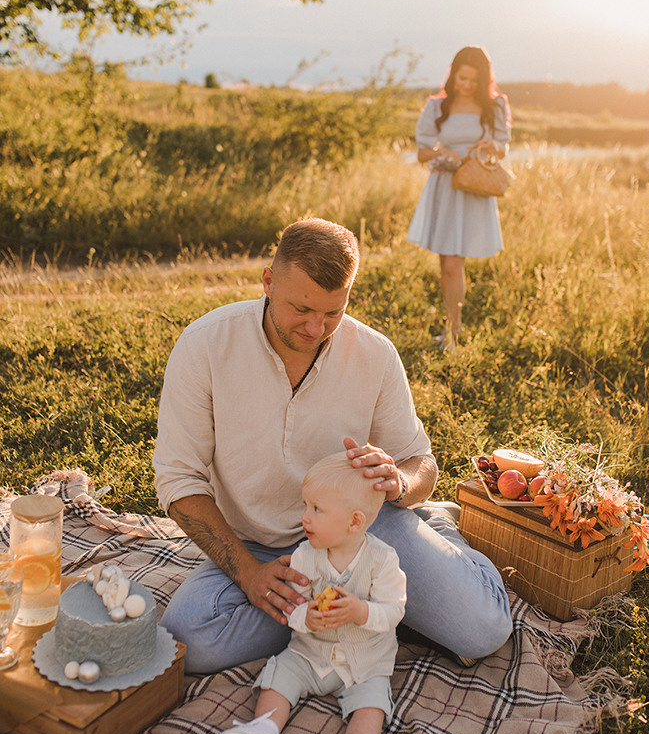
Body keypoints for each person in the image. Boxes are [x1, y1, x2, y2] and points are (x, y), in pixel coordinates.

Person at [153, 217, 511, 674]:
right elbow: (179, 481)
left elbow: (420, 462)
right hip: (262, 548)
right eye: (301, 309)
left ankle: (431, 537)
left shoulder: (375, 353)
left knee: (483, 631)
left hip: (362, 529)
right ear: (267, 281)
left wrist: (399, 482)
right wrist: (248, 572)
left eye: (332, 312)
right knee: (193, 639)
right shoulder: (204, 346)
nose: (315, 327)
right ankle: (366, 604)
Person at [213, 451, 406, 734]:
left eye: (316, 509)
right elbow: (292, 606)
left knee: (371, 699)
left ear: (355, 522)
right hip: (309, 654)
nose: (305, 517)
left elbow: (393, 611)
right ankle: (263, 730)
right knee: (281, 675)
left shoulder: (383, 560)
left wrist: (361, 612)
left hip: (363, 662)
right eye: (306, 506)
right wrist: (307, 618)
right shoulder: (305, 555)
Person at [407, 46, 512, 351]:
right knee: (449, 264)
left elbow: (503, 147)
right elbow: (422, 152)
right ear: (453, 74)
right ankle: (453, 332)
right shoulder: (437, 107)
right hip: (446, 187)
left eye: (473, 81)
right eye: (461, 78)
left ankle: (453, 332)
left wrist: (491, 144)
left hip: (476, 188)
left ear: (483, 81)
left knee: (456, 262)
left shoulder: (496, 105)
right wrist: (443, 152)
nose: (466, 85)